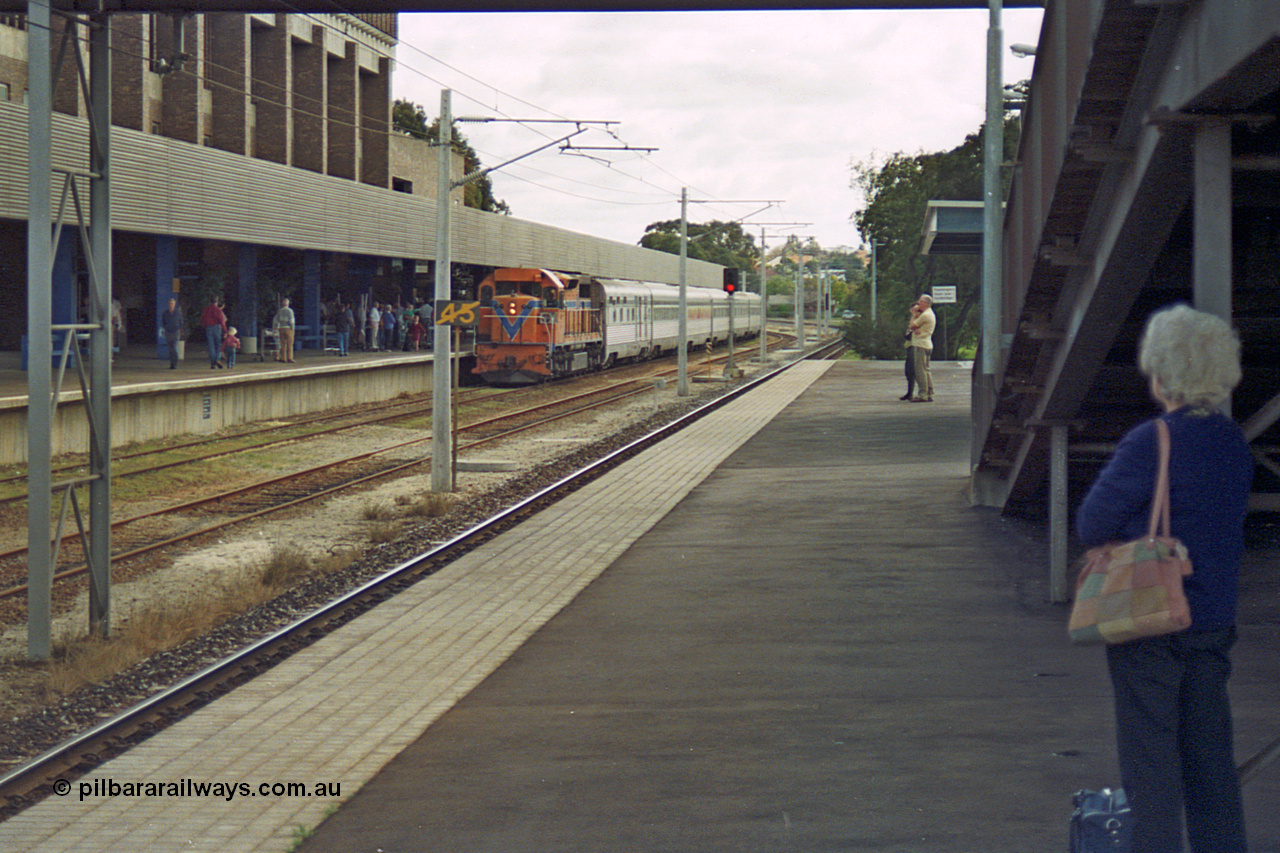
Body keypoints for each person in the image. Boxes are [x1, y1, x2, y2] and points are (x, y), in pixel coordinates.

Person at [1075, 304, 1252, 853]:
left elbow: (1092, 522)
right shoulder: (1232, 442)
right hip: (1212, 620)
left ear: (1160, 372)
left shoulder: (1152, 441)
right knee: (1210, 763)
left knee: (1151, 762)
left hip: (1150, 619)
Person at [908, 294, 935, 402]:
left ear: (925, 303)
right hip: (927, 344)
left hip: (921, 345)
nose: (918, 304)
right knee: (926, 369)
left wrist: (914, 314)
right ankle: (930, 392)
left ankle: (922, 394)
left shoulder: (925, 315)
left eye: (920, 302)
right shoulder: (930, 314)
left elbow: (912, 326)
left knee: (920, 370)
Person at [900, 302, 922, 401]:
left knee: (913, 370)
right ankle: (910, 392)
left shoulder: (919, 320)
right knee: (908, 371)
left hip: (915, 346)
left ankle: (923, 392)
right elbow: (907, 335)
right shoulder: (912, 320)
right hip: (910, 345)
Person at [201, 296, 228, 369]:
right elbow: (222, 321)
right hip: (217, 327)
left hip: (209, 328)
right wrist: (225, 331)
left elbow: (203, 319)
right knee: (218, 345)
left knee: (211, 346)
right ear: (217, 301)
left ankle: (212, 364)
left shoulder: (206, 309)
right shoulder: (218, 310)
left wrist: (205, 326)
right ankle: (217, 359)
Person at [161, 297, 183, 369]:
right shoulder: (165, 313)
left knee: (173, 347)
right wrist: (166, 327)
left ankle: (175, 363)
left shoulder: (178, 313)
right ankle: (172, 363)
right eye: (170, 303)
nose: (171, 305)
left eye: (172, 303)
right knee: (170, 348)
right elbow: (163, 322)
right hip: (168, 332)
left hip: (175, 332)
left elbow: (181, 322)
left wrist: (178, 328)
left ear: (174, 304)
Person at [273, 297, 296, 363]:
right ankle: (290, 358)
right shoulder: (290, 311)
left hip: (281, 328)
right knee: (289, 344)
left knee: (282, 344)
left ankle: (283, 358)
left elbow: (276, 320)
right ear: (287, 304)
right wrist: (292, 328)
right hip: (288, 328)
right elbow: (291, 320)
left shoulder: (279, 311)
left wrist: (276, 328)